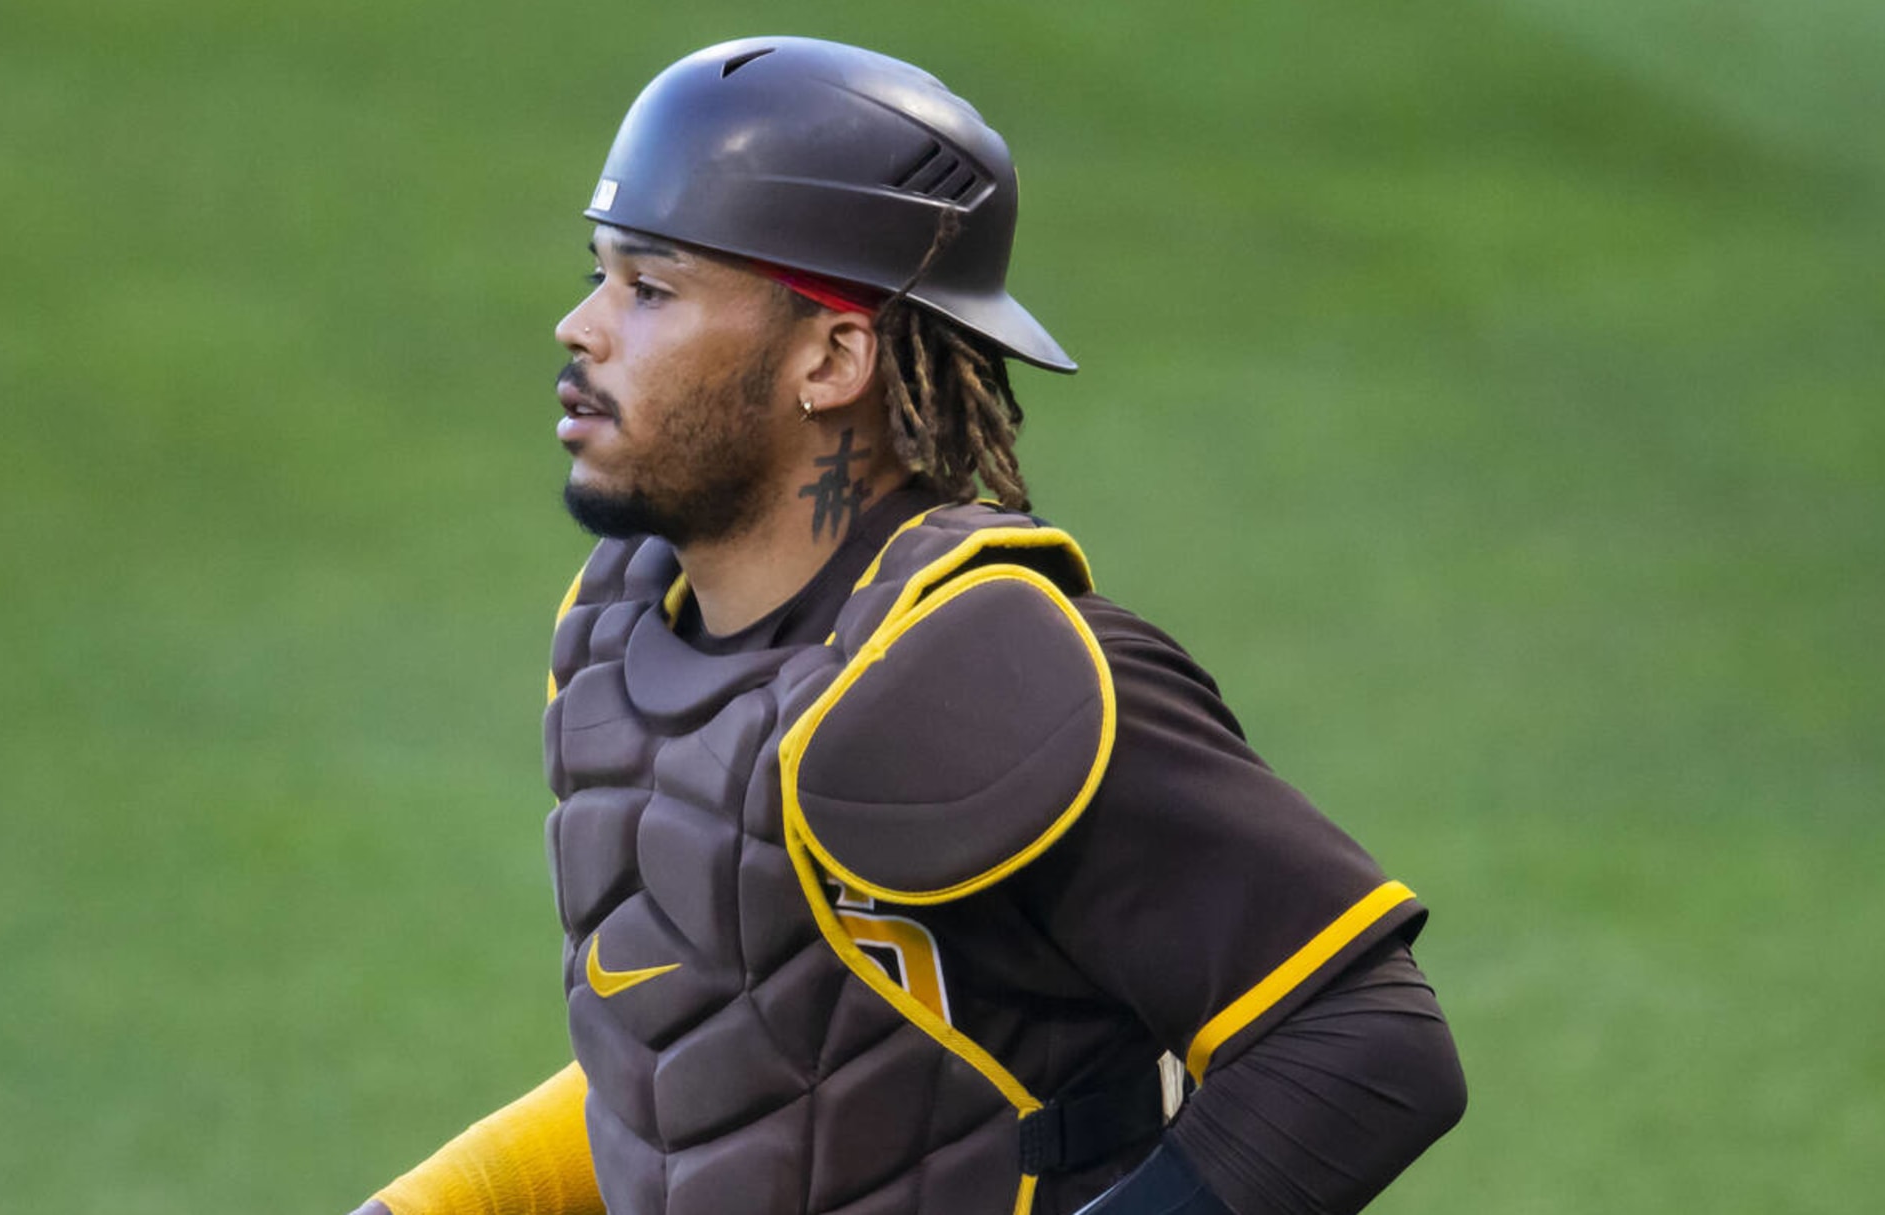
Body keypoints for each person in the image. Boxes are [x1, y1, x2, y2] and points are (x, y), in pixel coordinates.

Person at [354, 36, 1465, 1215]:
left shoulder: (976, 668)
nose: (581, 329)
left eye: (651, 288)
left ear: (832, 355)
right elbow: (722, 1069)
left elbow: (1364, 1048)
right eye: (599, 273)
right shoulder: (627, 639)